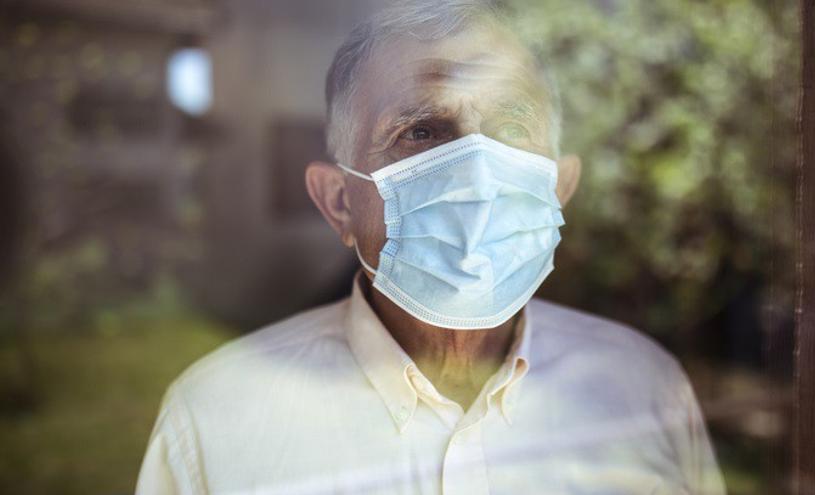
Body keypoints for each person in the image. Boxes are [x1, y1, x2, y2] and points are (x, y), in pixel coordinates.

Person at [135, 1, 726, 493]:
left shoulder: (645, 389)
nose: (477, 170)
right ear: (339, 201)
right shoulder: (214, 425)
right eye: (421, 130)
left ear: (559, 188)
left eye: (511, 130)